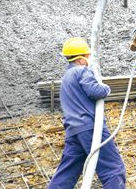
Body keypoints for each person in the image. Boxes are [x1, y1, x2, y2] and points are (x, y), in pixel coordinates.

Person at [48, 37, 126, 189]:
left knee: (66, 173)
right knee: (113, 168)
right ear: (81, 58)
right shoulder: (81, 71)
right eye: (88, 56)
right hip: (90, 127)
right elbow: (95, 91)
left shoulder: (66, 78)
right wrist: (106, 88)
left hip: (73, 130)